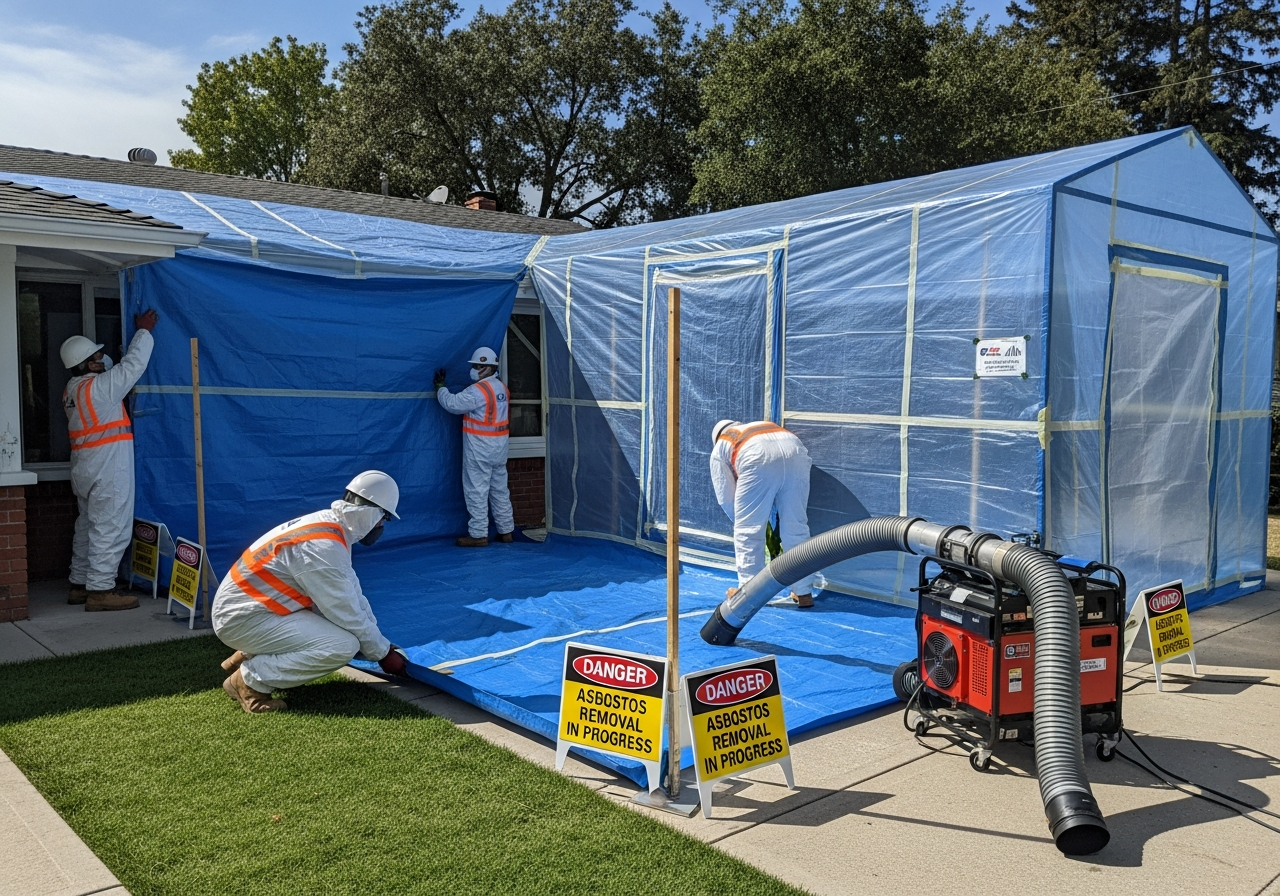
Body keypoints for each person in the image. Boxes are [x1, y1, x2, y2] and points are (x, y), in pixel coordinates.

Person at [212, 471, 408, 714]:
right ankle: (249, 680)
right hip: (243, 619)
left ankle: (246, 654)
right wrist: (382, 654)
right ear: (370, 513)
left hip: (254, 610)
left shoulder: (329, 529)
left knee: (343, 629)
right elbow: (345, 611)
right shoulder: (323, 547)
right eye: (384, 517)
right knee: (343, 645)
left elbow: (353, 596)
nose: (381, 525)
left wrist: (381, 646)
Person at [60, 310, 159, 612]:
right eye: (98, 356)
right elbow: (133, 366)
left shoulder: (72, 391)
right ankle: (101, 590)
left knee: (86, 526)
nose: (103, 359)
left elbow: (113, 375)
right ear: (88, 364)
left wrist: (110, 360)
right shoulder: (101, 388)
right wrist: (143, 332)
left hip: (85, 467)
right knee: (110, 526)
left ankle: (79, 584)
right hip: (108, 466)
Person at [710, 420, 816, 608]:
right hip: (796, 451)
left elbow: (726, 499)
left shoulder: (721, 446)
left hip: (756, 456)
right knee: (796, 526)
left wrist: (746, 520)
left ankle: (750, 593)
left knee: (748, 530)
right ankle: (804, 591)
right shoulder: (756, 426)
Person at [433, 347, 515, 547]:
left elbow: (452, 404)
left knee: (476, 490)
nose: (475, 369)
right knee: (499, 490)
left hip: (480, 447)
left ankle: (478, 535)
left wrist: (440, 388)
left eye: (478, 366)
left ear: (488, 367)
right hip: (500, 447)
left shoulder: (478, 390)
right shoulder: (502, 388)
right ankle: (507, 531)